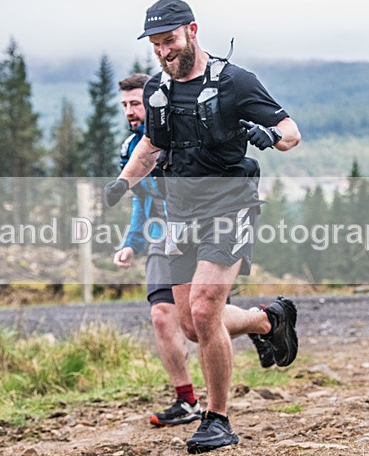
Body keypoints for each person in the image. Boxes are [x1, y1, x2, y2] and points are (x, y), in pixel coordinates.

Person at [104, 0, 301, 454]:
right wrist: (122, 181)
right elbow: (152, 145)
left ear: (192, 31)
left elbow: (291, 131)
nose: (163, 53)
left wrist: (269, 136)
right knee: (192, 324)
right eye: (155, 46)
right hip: (180, 211)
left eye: (169, 41)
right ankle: (267, 321)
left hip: (230, 206)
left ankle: (217, 419)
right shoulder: (157, 89)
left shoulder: (235, 82)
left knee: (206, 306)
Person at [113, 73, 275, 427]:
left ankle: (261, 323)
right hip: (164, 234)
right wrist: (131, 243)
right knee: (167, 317)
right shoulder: (131, 149)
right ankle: (185, 399)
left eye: (136, 103)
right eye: (125, 105)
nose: (131, 111)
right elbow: (141, 201)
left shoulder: (185, 131)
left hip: (208, 226)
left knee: (201, 317)